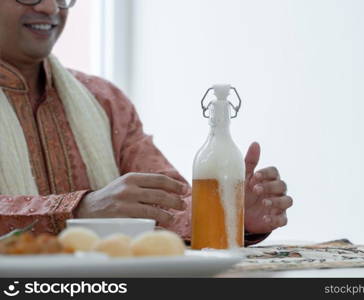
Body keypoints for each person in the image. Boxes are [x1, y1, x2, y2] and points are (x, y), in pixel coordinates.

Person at [0, 0, 293, 245]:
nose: (51, 7)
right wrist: (78, 210)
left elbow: (167, 205)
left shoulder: (104, 101)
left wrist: (232, 213)